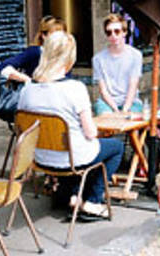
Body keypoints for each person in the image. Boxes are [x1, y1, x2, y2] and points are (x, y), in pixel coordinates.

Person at [18, 31, 122, 218]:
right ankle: (93, 200)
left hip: (40, 159)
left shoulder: (27, 90)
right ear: (70, 59)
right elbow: (90, 133)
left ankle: (74, 195)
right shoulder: (75, 88)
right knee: (115, 147)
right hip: (73, 159)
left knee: (76, 145)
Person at [92, 13, 143, 116]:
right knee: (106, 119)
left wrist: (125, 109)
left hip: (131, 101)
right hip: (107, 102)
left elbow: (133, 86)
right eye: (109, 32)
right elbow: (103, 90)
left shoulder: (136, 55)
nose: (113, 35)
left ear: (124, 32)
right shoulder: (98, 59)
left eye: (117, 31)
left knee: (133, 122)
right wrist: (115, 110)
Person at [0, 15, 67, 84]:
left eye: (62, 34)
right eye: (54, 35)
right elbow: (3, 67)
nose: (59, 38)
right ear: (44, 36)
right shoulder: (35, 52)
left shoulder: (66, 53)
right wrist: (28, 80)